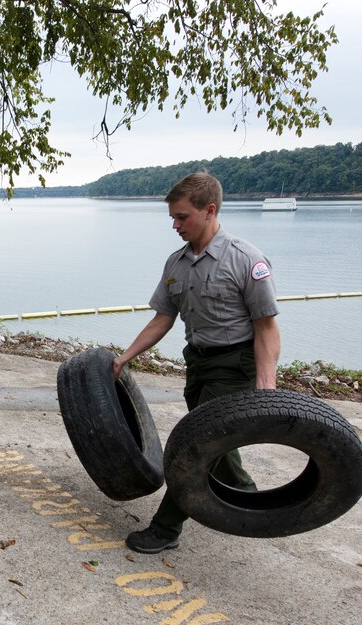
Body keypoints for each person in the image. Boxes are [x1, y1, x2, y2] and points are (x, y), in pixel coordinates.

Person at [112, 172, 281, 554]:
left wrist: (266, 389)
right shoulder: (177, 263)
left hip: (235, 365)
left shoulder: (246, 259)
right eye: (172, 217)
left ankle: (166, 529)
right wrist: (125, 357)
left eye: (182, 217)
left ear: (210, 211)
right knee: (217, 446)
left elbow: (267, 328)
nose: (175, 225)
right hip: (198, 363)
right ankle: (248, 500)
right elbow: (163, 318)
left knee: (195, 447)